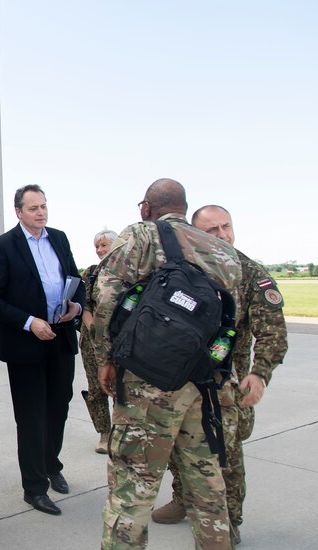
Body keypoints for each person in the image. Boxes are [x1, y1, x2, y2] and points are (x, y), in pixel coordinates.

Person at [91, 178, 241, 549]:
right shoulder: (219, 248)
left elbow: (107, 299)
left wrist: (105, 360)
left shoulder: (140, 236)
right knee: (207, 486)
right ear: (185, 209)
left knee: (132, 487)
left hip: (148, 384)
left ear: (146, 208)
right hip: (205, 384)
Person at [152, 204, 288, 544]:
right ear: (195, 234)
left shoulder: (249, 273)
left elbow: (273, 331)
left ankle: (231, 518)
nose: (222, 235)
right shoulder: (181, 269)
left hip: (225, 384)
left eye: (225, 226)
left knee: (225, 455)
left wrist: (259, 374)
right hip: (180, 381)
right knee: (176, 448)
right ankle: (183, 499)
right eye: (212, 230)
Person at [0, 184, 85, 516]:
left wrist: (77, 306)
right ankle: (35, 488)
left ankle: (51, 465)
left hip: (62, 336)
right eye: (33, 208)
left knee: (59, 407)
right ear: (18, 212)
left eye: (43, 206)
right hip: (26, 344)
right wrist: (29, 322)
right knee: (30, 417)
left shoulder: (59, 237)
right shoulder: (4, 246)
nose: (41, 212)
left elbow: (76, 279)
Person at [79, 229, 118, 454]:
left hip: (119, 341)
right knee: (96, 388)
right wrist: (97, 331)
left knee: (120, 388)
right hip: (92, 340)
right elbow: (84, 305)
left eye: (105, 245)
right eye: (98, 246)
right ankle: (104, 433)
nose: (101, 250)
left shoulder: (127, 272)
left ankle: (120, 433)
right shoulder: (91, 274)